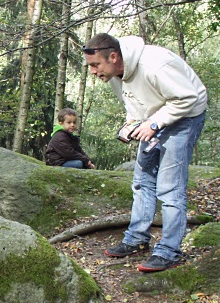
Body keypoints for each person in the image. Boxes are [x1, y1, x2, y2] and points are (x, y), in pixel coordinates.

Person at [83, 33, 207, 273]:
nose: (93, 71)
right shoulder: (115, 74)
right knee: (142, 181)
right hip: (155, 119)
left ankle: (169, 251)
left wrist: (153, 124)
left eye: (95, 65)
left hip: (185, 117)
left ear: (113, 56)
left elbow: (188, 98)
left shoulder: (154, 65)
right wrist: (132, 124)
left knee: (169, 187)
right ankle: (136, 239)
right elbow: (135, 104)